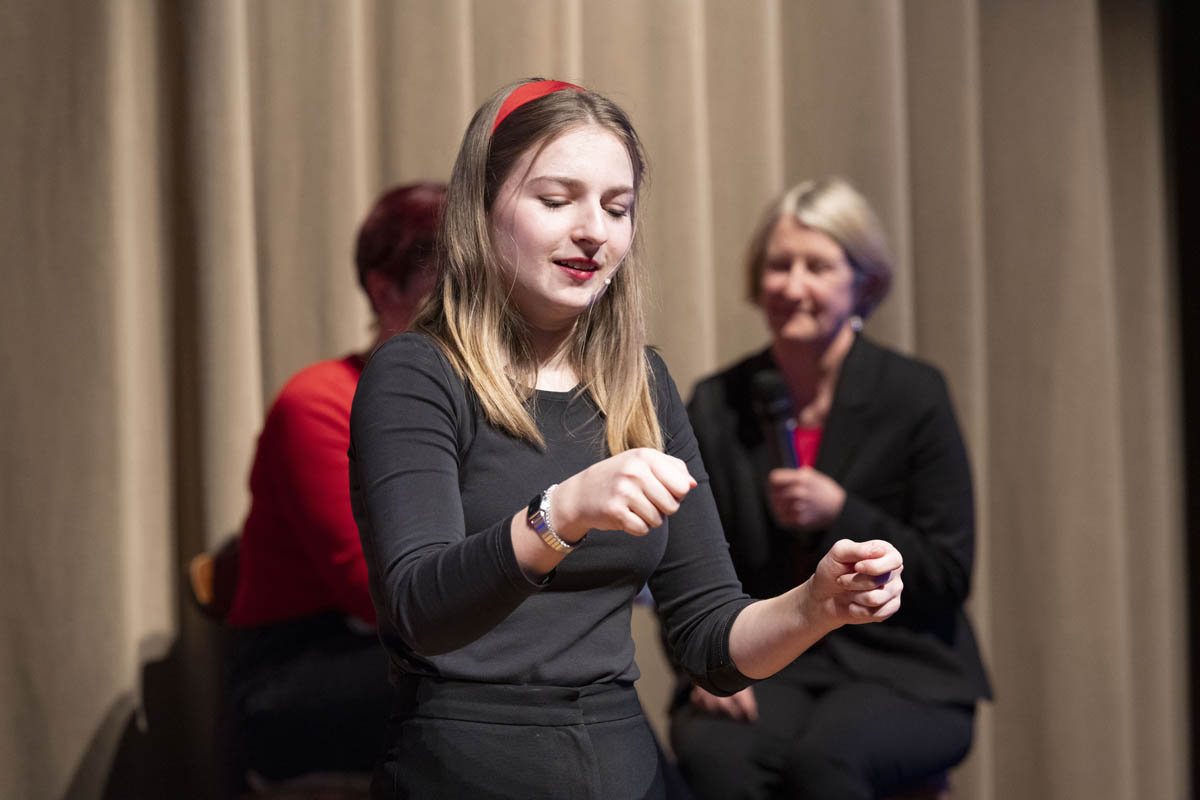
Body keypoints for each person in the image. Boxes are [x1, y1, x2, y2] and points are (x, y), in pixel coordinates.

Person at [348, 80, 905, 800]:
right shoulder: (418, 373)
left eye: (617, 208)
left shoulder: (641, 383)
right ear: (481, 210)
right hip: (468, 761)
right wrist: (563, 511)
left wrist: (813, 605)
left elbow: (709, 640)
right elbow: (421, 610)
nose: (595, 232)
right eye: (557, 201)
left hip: (620, 761)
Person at [667, 178, 992, 799]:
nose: (793, 286)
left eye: (817, 267)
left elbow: (948, 571)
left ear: (864, 282)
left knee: (827, 760)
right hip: (775, 656)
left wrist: (842, 511)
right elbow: (683, 556)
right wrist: (706, 664)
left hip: (900, 667)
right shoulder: (717, 402)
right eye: (779, 266)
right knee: (715, 752)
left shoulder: (913, 394)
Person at [225, 182, 447, 787]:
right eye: (449, 287)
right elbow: (371, 592)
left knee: (568, 675)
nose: (474, 308)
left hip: (424, 643)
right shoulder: (320, 402)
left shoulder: (477, 403)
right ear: (383, 291)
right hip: (297, 674)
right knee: (499, 682)